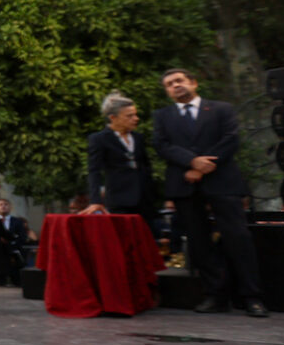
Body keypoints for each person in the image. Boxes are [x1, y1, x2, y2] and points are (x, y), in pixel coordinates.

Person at [151, 67, 265, 316]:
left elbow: (231, 139)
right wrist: (192, 162)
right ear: (167, 91)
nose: (175, 85)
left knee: (238, 238)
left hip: (222, 181)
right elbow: (162, 145)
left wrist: (203, 167)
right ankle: (215, 295)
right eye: (169, 84)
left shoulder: (221, 109)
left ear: (193, 83)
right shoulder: (162, 116)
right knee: (199, 243)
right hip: (184, 184)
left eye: (179, 80)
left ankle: (252, 297)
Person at [83, 91, 157, 228]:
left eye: (135, 114)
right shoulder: (99, 139)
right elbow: (94, 171)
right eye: (130, 116)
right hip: (120, 199)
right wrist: (95, 200)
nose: (136, 118)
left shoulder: (138, 138)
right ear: (113, 117)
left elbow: (146, 166)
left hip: (145, 199)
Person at [0, 198, 33, 272]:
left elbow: (22, 237)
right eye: (1, 205)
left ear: (10, 207)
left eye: (6, 204)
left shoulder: (17, 221)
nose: (3, 206)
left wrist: (11, 243)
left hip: (13, 253)